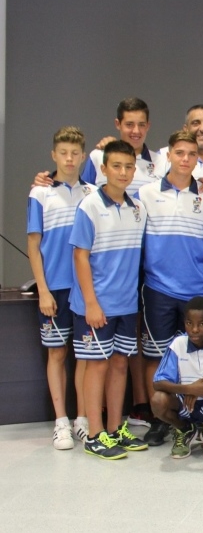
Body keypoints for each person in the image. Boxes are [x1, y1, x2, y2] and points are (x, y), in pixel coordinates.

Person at [137, 130, 203, 446]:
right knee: (155, 357)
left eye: (191, 154)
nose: (185, 159)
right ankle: (161, 420)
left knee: (200, 358)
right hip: (158, 288)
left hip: (196, 290)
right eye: (179, 153)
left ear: (198, 158)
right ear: (168, 155)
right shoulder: (146, 194)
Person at [69, 140, 149, 459]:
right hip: (96, 306)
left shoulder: (137, 208)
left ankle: (115, 429)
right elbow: (80, 256)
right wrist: (91, 302)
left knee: (119, 365)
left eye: (129, 166)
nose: (123, 172)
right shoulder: (89, 206)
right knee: (96, 366)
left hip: (126, 304)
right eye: (116, 166)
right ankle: (94, 433)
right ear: (103, 169)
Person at [27, 126, 96, 448]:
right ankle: (61, 422)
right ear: (54, 155)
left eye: (75, 154)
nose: (69, 159)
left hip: (83, 289)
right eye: (63, 153)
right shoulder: (40, 193)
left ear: (83, 157)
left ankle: (82, 418)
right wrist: (42, 290)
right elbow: (33, 244)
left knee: (84, 356)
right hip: (54, 287)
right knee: (56, 353)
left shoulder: (92, 193)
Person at [150, 297, 203, 459]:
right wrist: (189, 389)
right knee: (158, 400)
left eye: (202, 324)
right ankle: (184, 429)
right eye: (189, 323)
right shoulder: (177, 344)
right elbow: (158, 382)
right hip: (184, 405)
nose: (194, 329)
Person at [80, 97, 163, 196]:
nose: (136, 131)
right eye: (129, 124)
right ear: (118, 124)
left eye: (141, 125)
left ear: (148, 126)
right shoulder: (97, 157)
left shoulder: (161, 162)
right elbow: (82, 196)